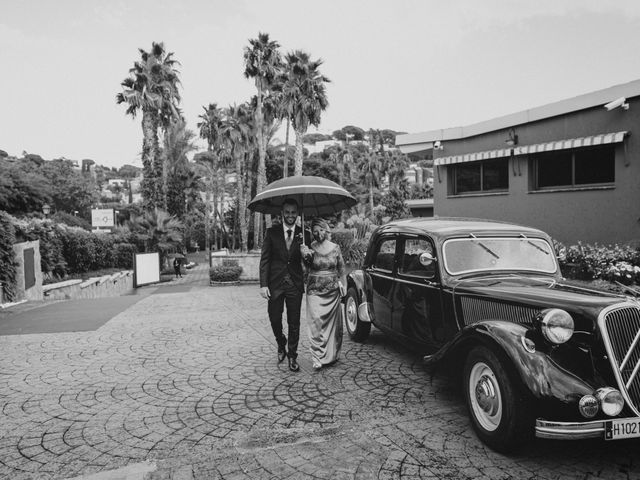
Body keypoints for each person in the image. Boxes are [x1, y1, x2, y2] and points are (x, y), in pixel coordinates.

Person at [259, 198, 310, 372]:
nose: (290, 216)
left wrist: (307, 254)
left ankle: (292, 356)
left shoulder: (304, 234)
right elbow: (265, 260)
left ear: (297, 214)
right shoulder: (271, 233)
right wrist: (263, 284)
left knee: (294, 322)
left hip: (295, 284)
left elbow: (311, 263)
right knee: (274, 318)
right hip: (275, 284)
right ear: (282, 213)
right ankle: (281, 342)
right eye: (287, 212)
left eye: (293, 212)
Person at [300, 218, 346, 370]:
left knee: (333, 325)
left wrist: (343, 284)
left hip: (332, 291)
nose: (318, 233)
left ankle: (331, 355)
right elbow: (305, 271)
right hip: (314, 290)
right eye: (314, 231)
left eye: (320, 230)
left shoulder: (335, 247)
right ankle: (317, 357)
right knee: (316, 322)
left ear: (326, 230)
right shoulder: (309, 248)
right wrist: (305, 257)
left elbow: (341, 269)